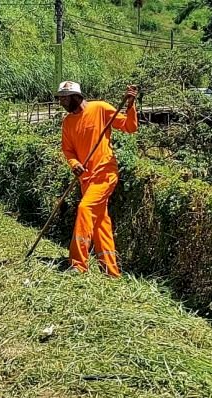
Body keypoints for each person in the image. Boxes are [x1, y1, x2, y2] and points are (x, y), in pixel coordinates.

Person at [55, 81, 138, 277]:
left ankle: (78, 264)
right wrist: (75, 164)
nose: (61, 102)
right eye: (60, 98)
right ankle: (111, 271)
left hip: (104, 174)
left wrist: (130, 105)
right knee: (101, 222)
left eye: (65, 98)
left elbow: (130, 126)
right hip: (86, 178)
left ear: (76, 96)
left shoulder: (100, 108)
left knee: (85, 208)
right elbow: (68, 150)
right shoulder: (68, 122)